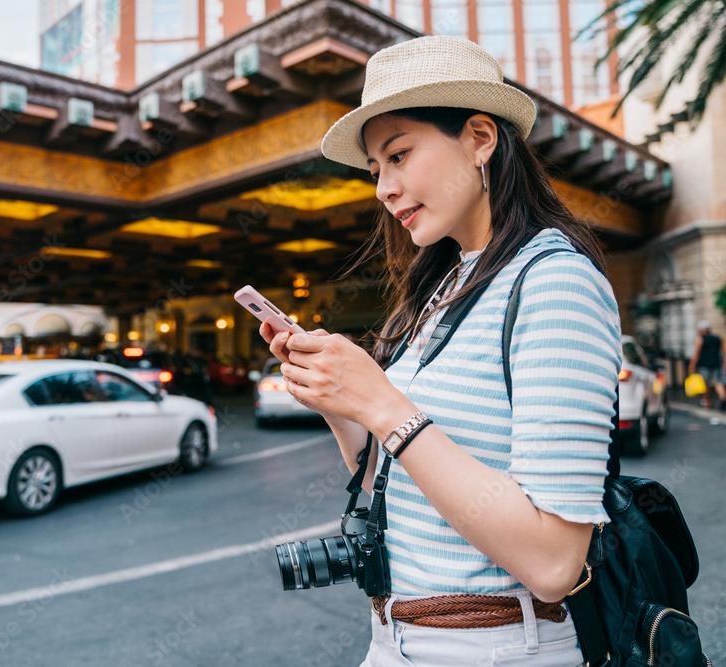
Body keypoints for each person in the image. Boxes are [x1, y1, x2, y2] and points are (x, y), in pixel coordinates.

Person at [260, 35, 620, 666]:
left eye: (398, 155)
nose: (383, 189)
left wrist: (383, 404)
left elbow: (554, 562)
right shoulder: (447, 283)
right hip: (395, 640)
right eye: (376, 170)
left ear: (480, 138)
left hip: (498, 646)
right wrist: (338, 401)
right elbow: (390, 483)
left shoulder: (554, 281)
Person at [688, 320, 726, 410]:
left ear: (701, 330)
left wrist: (692, 364)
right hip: (716, 364)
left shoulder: (700, 339)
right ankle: (723, 397)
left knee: (705, 384)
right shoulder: (717, 338)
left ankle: (706, 402)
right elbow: (723, 352)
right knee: (717, 382)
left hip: (704, 365)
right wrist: (724, 364)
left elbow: (697, 353)